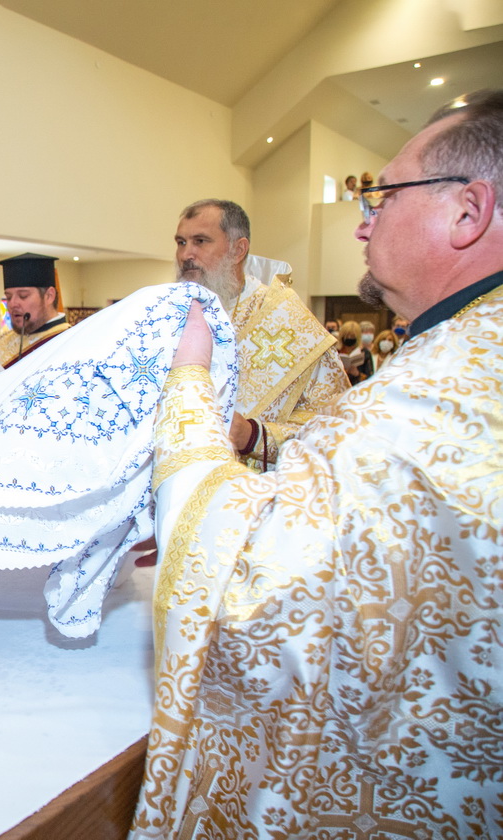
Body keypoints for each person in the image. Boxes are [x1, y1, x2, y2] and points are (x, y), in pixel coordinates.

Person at [134, 88, 503, 838]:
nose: (363, 223)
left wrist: (215, 412)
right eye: (179, 241)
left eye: (383, 197)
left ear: (469, 212)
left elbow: (269, 576)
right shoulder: (454, 349)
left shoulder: (325, 343)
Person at [173, 199, 348, 470]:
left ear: (238, 249)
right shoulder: (166, 314)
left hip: (255, 485)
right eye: (181, 242)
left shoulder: (288, 319)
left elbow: (333, 423)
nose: (186, 254)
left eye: (200, 241)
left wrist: (253, 436)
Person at [0, 253, 71, 367]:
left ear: (49, 296)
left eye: (23, 296)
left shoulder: (71, 341)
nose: (13, 304)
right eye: (8, 297)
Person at [336, 319, 373, 384]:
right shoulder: (336, 352)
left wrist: (357, 374)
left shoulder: (365, 353)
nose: (349, 338)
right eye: (347, 335)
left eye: (352, 336)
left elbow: (370, 378)